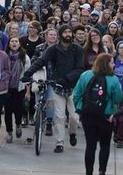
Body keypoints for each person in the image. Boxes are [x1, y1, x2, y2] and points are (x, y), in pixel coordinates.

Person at [22, 24, 84, 153]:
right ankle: (59, 142)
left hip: (73, 87)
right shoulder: (53, 49)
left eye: (69, 32)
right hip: (57, 88)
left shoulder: (77, 49)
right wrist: (28, 73)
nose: (68, 34)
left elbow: (79, 69)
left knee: (74, 117)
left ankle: (72, 134)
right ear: (61, 35)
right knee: (59, 117)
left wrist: (66, 78)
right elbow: (41, 61)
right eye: (65, 32)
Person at [73, 53, 123, 175]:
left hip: (88, 115)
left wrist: (80, 108)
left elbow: (76, 95)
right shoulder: (113, 79)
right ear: (106, 64)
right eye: (112, 62)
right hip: (106, 116)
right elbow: (118, 99)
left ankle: (89, 172)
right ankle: (102, 170)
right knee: (105, 145)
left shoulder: (85, 75)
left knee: (90, 146)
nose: (114, 65)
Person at [4, 36, 31, 144]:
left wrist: (28, 91)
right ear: (9, 43)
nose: (14, 43)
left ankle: (18, 124)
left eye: (16, 41)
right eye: (12, 41)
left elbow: (28, 75)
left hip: (19, 88)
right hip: (6, 88)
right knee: (7, 111)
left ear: (19, 44)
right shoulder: (4, 55)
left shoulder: (25, 57)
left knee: (18, 110)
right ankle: (9, 131)